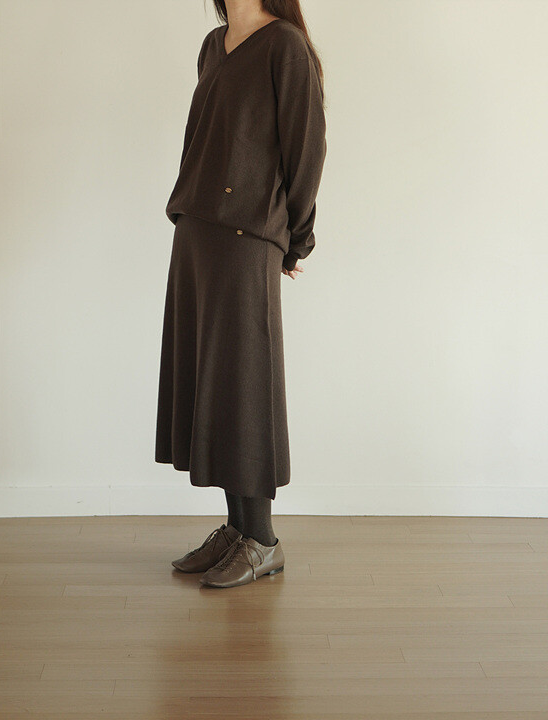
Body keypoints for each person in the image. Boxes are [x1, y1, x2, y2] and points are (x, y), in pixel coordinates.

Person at [155, 0, 327, 588]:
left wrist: (295, 238)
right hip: (198, 231)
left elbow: (305, 149)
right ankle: (236, 530)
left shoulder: (285, 47)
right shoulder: (213, 44)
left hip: (246, 235)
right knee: (215, 381)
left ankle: (263, 540)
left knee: (244, 380)